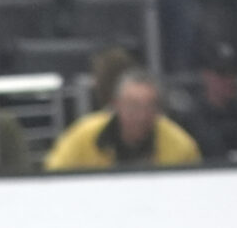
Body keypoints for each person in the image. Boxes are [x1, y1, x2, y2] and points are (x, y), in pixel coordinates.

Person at [44, 67, 202, 170]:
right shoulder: (83, 136)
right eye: (133, 106)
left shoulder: (181, 146)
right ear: (116, 105)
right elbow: (54, 174)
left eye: (149, 107)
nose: (141, 116)